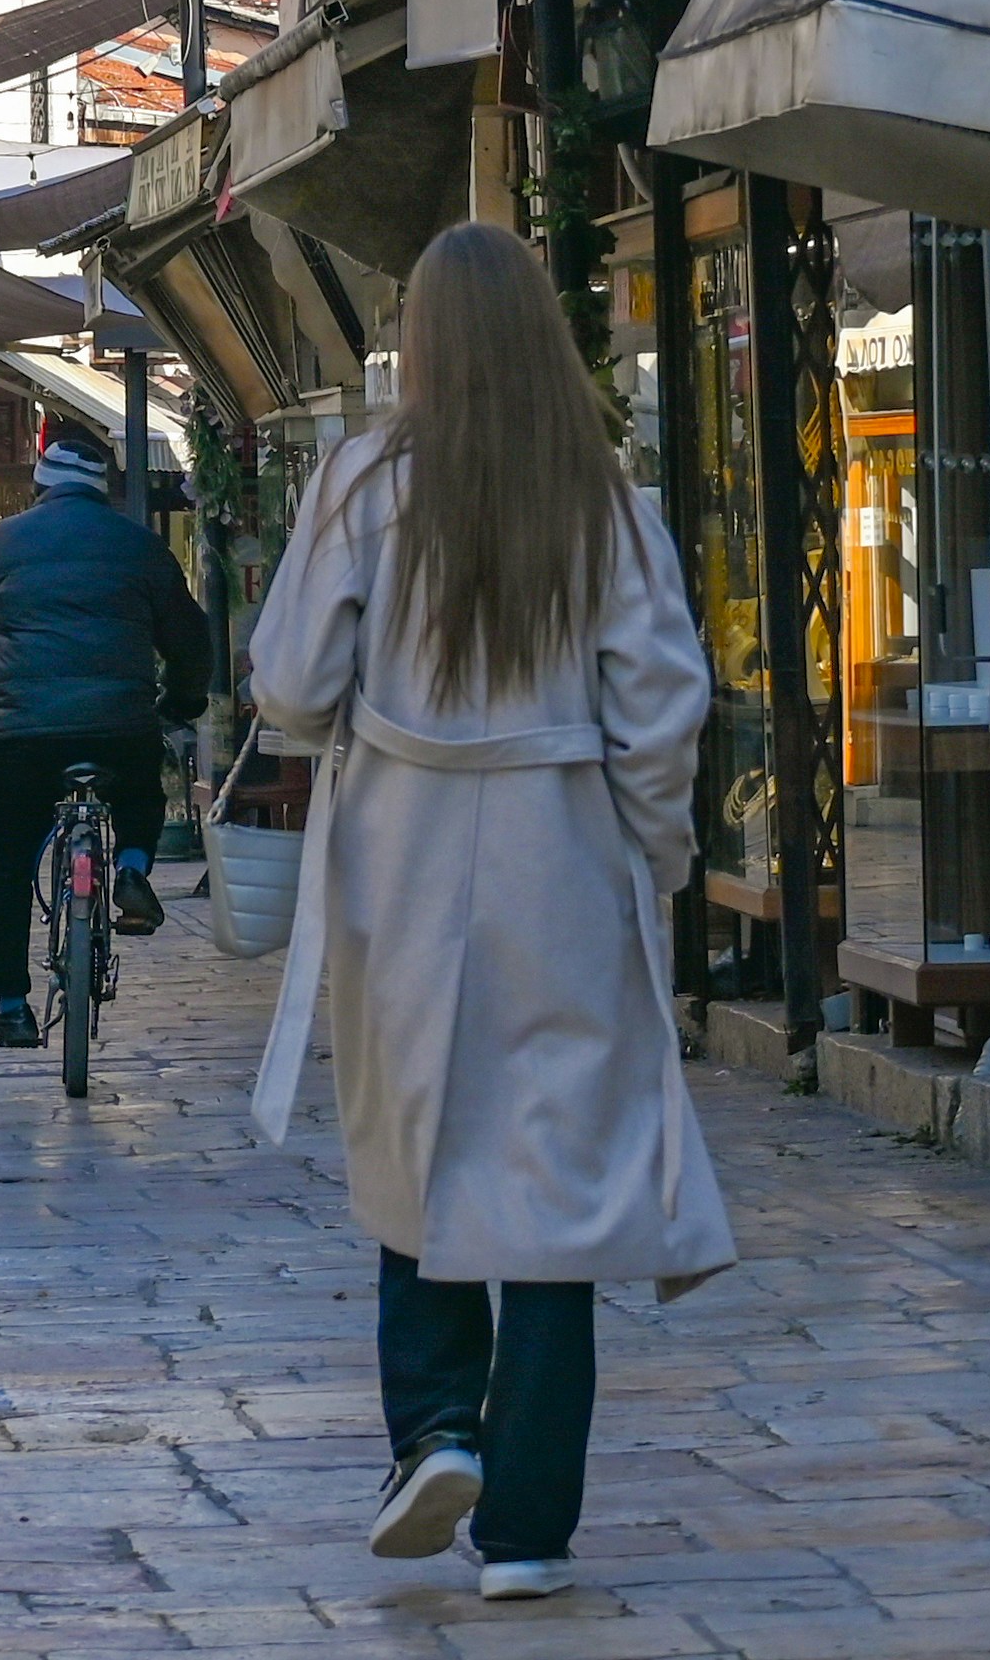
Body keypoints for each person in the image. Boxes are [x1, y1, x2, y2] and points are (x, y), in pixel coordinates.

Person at [245, 222, 729, 1601]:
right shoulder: (608, 501)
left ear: (428, 349)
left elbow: (287, 685)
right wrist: (662, 854)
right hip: (563, 857)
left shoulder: (363, 485)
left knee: (419, 1144)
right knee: (558, 1188)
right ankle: (527, 1529)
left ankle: (436, 1432)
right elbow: (659, 711)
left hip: (403, 856)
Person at [0, 417, 216, 1051]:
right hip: (120, 724)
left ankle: (11, 1005)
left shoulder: (1, 544)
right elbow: (188, 634)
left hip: (26, 733)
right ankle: (129, 866)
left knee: (7, 859)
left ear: (41, 484)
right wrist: (181, 701)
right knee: (141, 795)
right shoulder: (139, 544)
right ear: (103, 488)